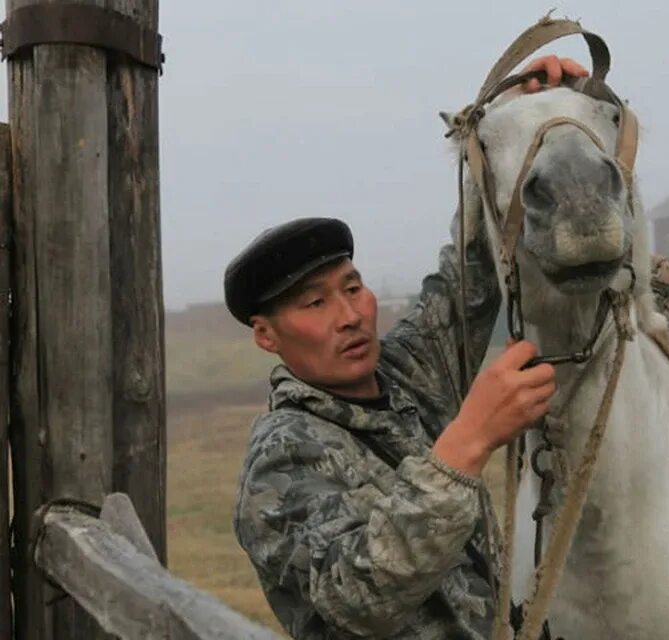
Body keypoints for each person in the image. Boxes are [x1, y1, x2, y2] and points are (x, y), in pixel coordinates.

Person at [228, 56, 588, 639]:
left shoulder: (407, 373)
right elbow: (356, 596)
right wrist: (466, 442)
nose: (349, 316)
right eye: (315, 304)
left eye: (352, 288)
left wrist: (512, 116)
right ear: (267, 334)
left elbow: (469, 274)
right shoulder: (282, 456)